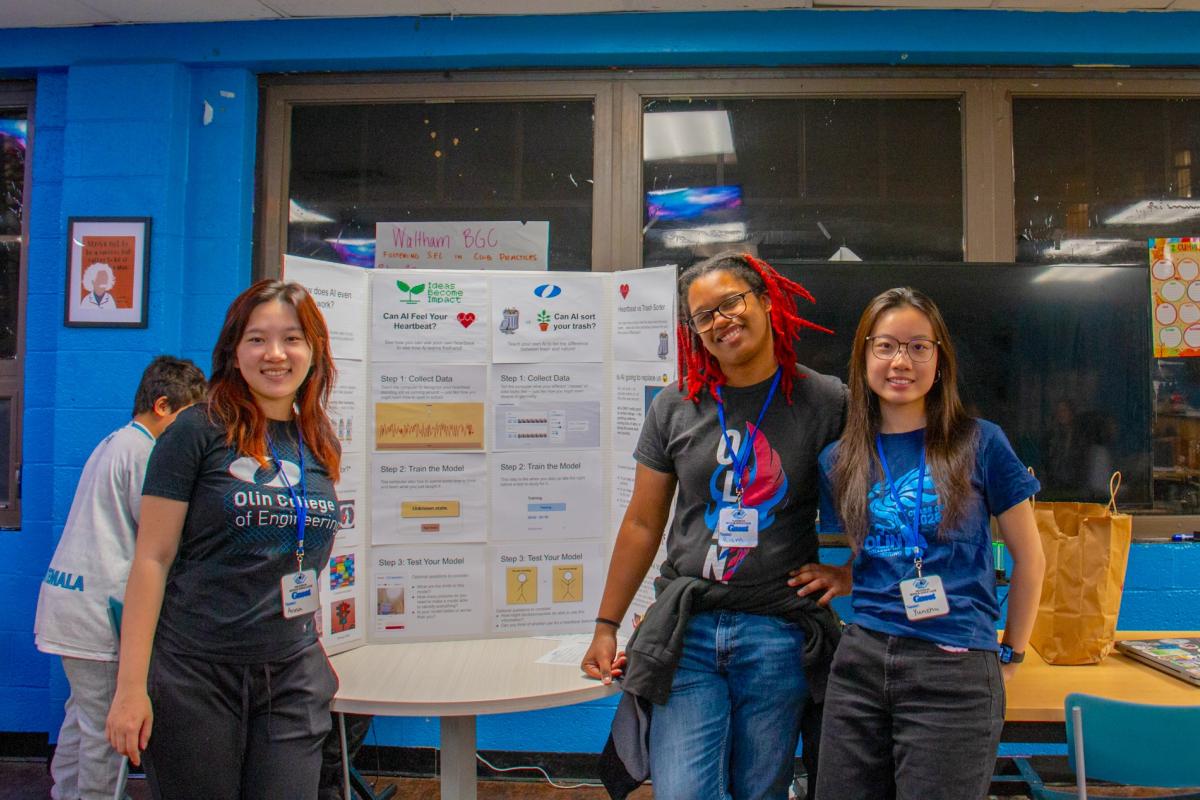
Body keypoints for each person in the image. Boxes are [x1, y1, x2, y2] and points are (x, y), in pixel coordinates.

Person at [583, 251, 846, 800]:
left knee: (760, 791)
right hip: (689, 630)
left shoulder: (826, 400)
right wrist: (606, 625)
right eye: (704, 316)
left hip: (776, 632)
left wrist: (853, 573)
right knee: (682, 792)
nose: (721, 320)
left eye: (731, 302)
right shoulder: (676, 407)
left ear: (766, 301)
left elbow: (880, 498)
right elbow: (641, 521)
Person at [795, 287, 1045, 800]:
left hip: (953, 666)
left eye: (918, 347)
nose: (900, 361)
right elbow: (878, 546)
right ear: (864, 355)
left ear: (940, 358)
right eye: (885, 346)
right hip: (860, 660)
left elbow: (1031, 559)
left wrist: (1012, 654)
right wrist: (845, 574)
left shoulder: (981, 442)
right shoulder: (839, 459)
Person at [105, 280, 343, 800]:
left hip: (291, 677)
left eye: (293, 338)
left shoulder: (317, 441)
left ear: (314, 351)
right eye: (258, 339)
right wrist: (130, 687)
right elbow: (152, 557)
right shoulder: (196, 430)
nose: (275, 354)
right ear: (235, 351)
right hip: (196, 676)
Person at [34, 355, 207, 800]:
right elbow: (159, 534)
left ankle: (65, 793)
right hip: (98, 613)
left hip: (68, 604)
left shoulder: (113, 441)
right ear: (164, 406)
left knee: (82, 716)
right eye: (188, 418)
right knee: (108, 730)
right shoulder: (147, 453)